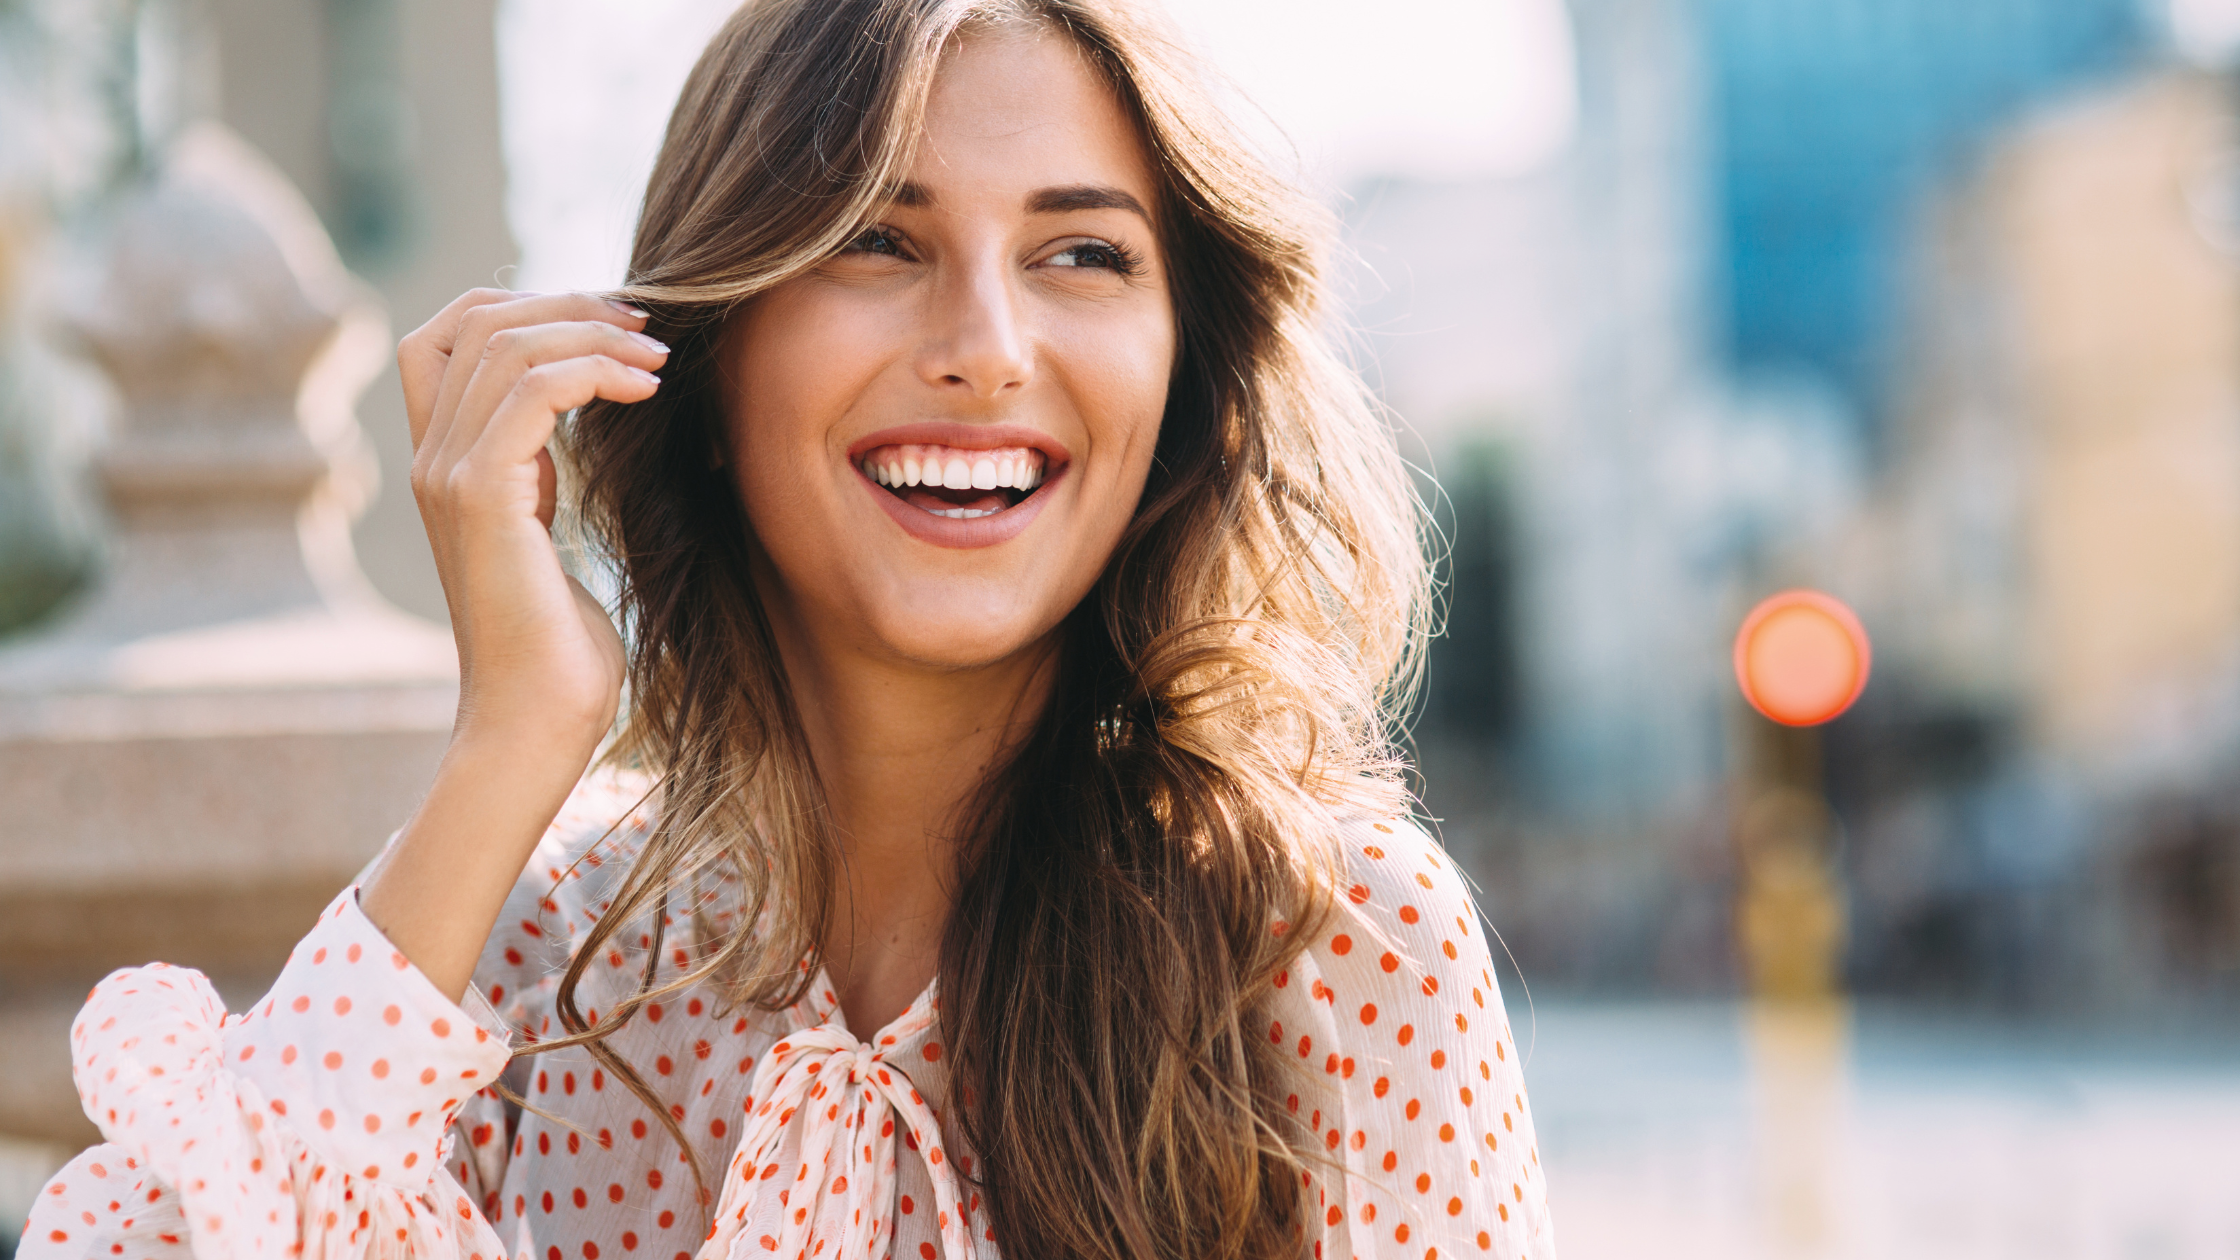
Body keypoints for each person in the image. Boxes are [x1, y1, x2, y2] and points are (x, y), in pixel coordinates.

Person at [26, 1, 1555, 1256]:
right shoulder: (538, 956)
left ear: (1184, 378)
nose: (986, 350)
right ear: (700, 351)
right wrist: (510, 739)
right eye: (876, 243)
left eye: (1081, 253)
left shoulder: (1325, 937)